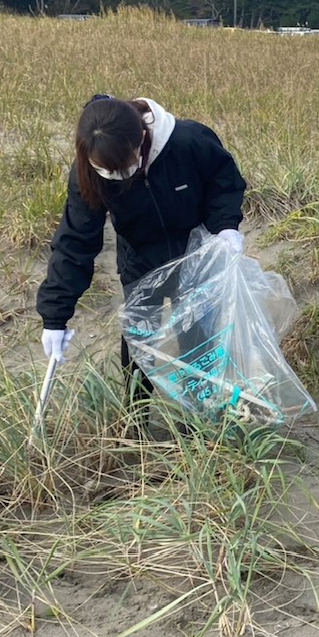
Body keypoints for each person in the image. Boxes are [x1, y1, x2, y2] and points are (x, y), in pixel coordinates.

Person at [37, 94, 247, 406]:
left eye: (125, 168)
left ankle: (199, 418)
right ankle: (135, 417)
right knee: (138, 339)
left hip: (195, 257)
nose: (118, 177)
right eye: (108, 171)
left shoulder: (188, 141)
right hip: (139, 261)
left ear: (142, 138)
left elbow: (224, 181)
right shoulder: (88, 172)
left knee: (197, 339)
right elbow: (75, 241)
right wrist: (55, 316)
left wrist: (226, 225)